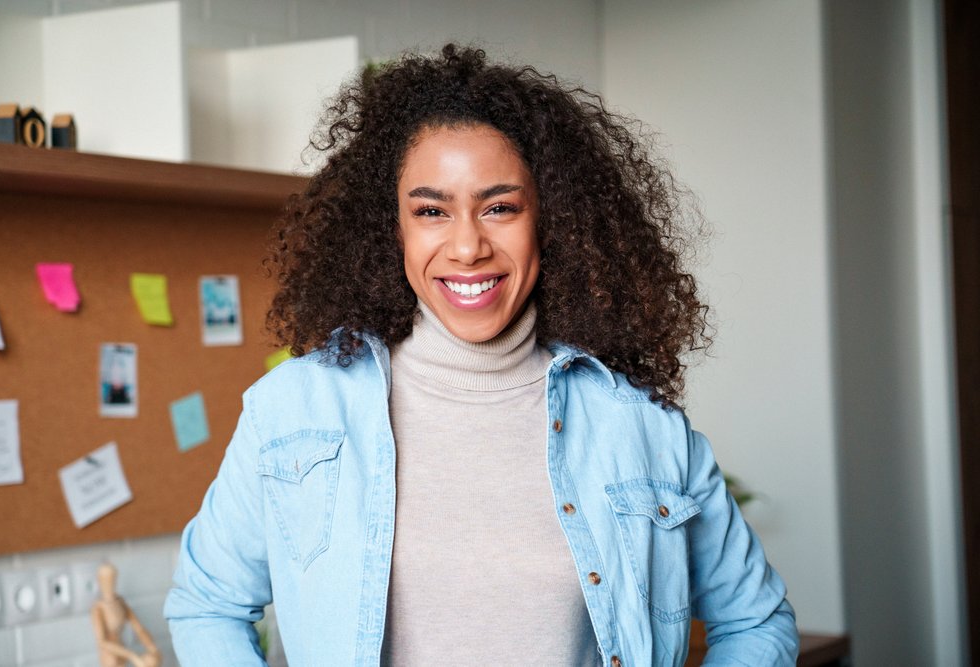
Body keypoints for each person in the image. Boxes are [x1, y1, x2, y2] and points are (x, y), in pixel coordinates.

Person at [165, 44, 799, 665]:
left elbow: (756, 620)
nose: (467, 246)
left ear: (550, 221)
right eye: (431, 211)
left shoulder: (643, 428)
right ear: (394, 230)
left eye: (499, 207)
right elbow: (206, 606)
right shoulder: (293, 410)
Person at [92, 563, 162, 667]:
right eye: (106, 579)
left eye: (112, 578)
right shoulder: (98, 608)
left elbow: (138, 628)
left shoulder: (120, 602)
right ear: (100, 580)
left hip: (122, 651)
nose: (109, 583)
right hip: (110, 658)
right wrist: (131, 656)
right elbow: (102, 642)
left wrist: (153, 649)